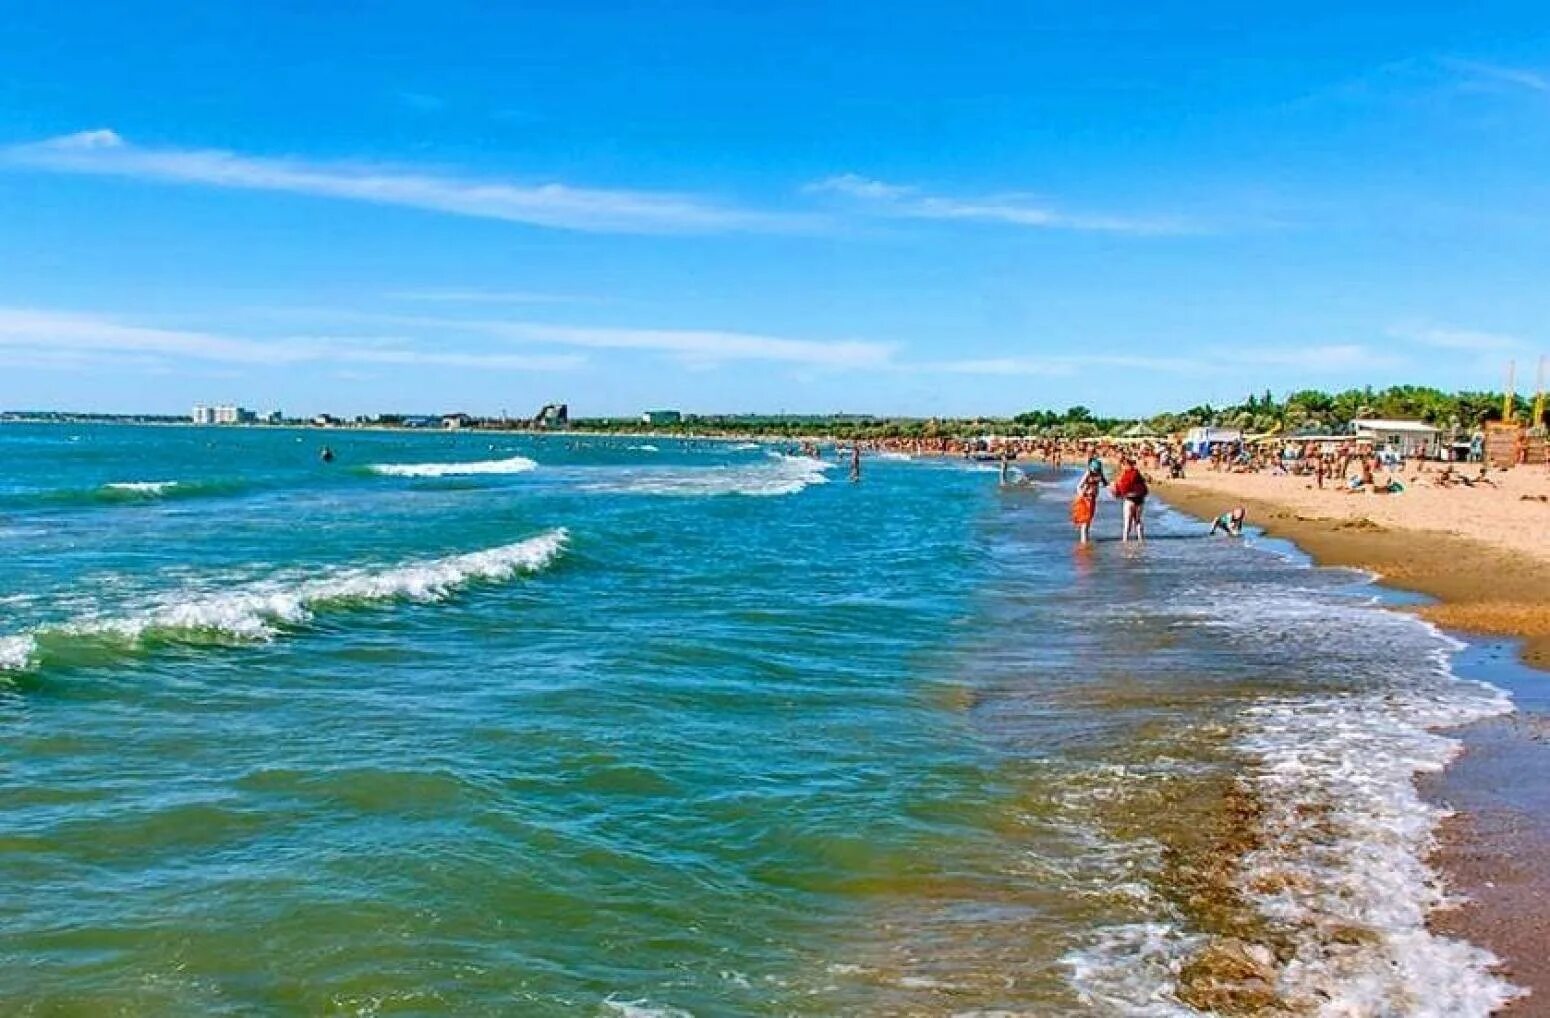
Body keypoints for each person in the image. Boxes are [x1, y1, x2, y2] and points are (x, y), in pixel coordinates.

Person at [1112, 457, 1148, 543]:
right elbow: (1143, 487)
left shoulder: (1127, 475)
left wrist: (1115, 489)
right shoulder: (1137, 474)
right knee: (1138, 521)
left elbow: (1122, 488)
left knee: (1128, 522)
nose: (1123, 466)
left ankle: (1125, 541)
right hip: (1140, 499)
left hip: (1130, 500)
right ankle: (1141, 541)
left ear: (1127, 465)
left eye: (1124, 465)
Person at [1071, 462, 1103, 544]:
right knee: (1084, 522)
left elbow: (1097, 487)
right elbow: (1078, 486)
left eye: (1097, 470)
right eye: (1095, 469)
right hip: (1084, 500)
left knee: (1089, 521)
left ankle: (1086, 540)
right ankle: (1083, 543)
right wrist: (1082, 494)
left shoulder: (1098, 475)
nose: (1096, 471)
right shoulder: (1088, 474)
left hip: (1092, 499)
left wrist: (1096, 494)